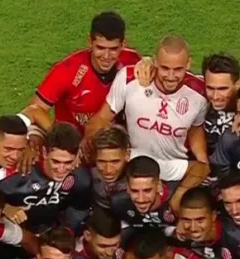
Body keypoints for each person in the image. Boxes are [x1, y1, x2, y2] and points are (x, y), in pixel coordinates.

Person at [83, 34, 210, 202]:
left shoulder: (200, 93)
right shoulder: (130, 79)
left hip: (172, 170)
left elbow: (195, 127)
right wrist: (89, 140)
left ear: (188, 64)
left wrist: (202, 162)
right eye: (165, 68)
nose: (171, 76)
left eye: (178, 69)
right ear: (156, 62)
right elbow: (102, 118)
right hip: (134, 165)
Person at [22, 11, 140, 134]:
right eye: (100, 48)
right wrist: (57, 136)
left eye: (113, 49)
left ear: (123, 44)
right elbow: (35, 107)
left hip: (114, 144)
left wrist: (148, 64)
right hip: (73, 144)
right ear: (90, 42)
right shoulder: (68, 70)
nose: (106, 56)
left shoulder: (133, 61)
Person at [0, 123, 93, 234]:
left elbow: (78, 211)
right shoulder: (19, 172)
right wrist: (5, 207)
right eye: (55, 161)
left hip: (52, 234)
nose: (61, 169)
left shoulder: (80, 179)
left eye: (68, 162)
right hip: (14, 235)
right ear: (45, 152)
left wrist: (66, 232)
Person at [108, 155, 177, 232]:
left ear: (159, 186)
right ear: (127, 188)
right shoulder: (118, 203)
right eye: (134, 191)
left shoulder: (176, 201)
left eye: (147, 190)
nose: (141, 199)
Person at [199, 54, 240, 158]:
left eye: (222, 89)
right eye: (210, 88)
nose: (215, 96)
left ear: (237, 84)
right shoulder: (196, 90)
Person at [89, 127, 133, 210]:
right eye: (101, 161)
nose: (108, 170)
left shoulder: (138, 174)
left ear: (127, 155)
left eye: (115, 162)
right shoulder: (86, 167)